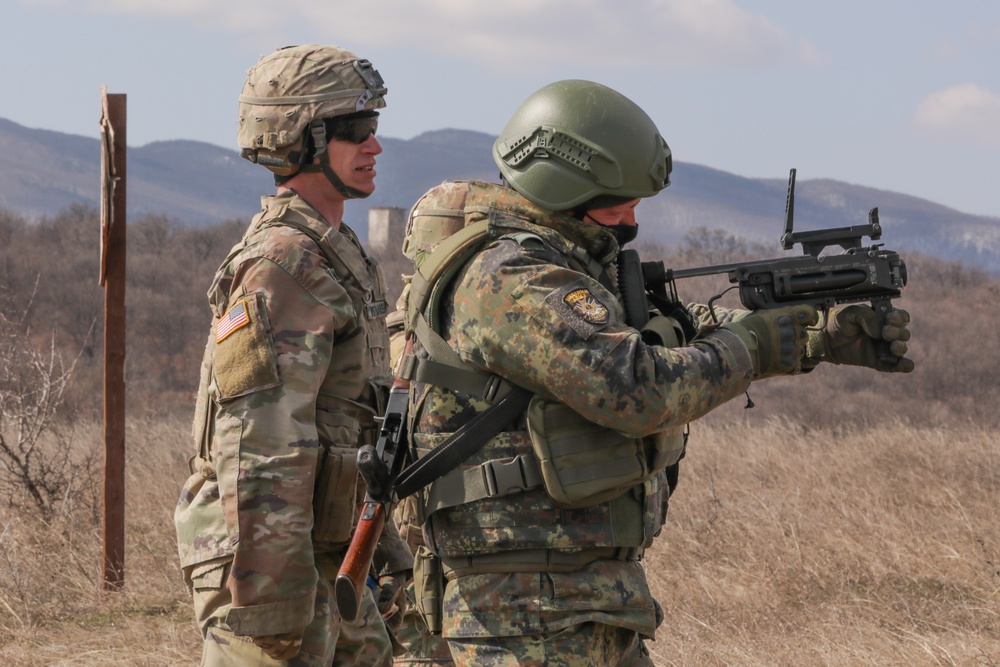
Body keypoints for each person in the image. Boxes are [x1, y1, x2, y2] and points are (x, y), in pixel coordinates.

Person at [392, 80, 913, 666]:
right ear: (565, 187)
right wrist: (754, 350)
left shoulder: (568, 260)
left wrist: (818, 335)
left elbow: (671, 324)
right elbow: (636, 388)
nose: (632, 219)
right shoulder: (509, 278)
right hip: (520, 612)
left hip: (579, 601)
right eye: (619, 201)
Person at [174, 44, 412, 667]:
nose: (375, 146)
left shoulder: (337, 252)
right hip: (274, 562)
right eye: (356, 130)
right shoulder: (285, 264)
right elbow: (261, 441)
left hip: (325, 553)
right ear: (297, 139)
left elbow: (354, 420)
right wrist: (272, 604)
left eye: (374, 128)